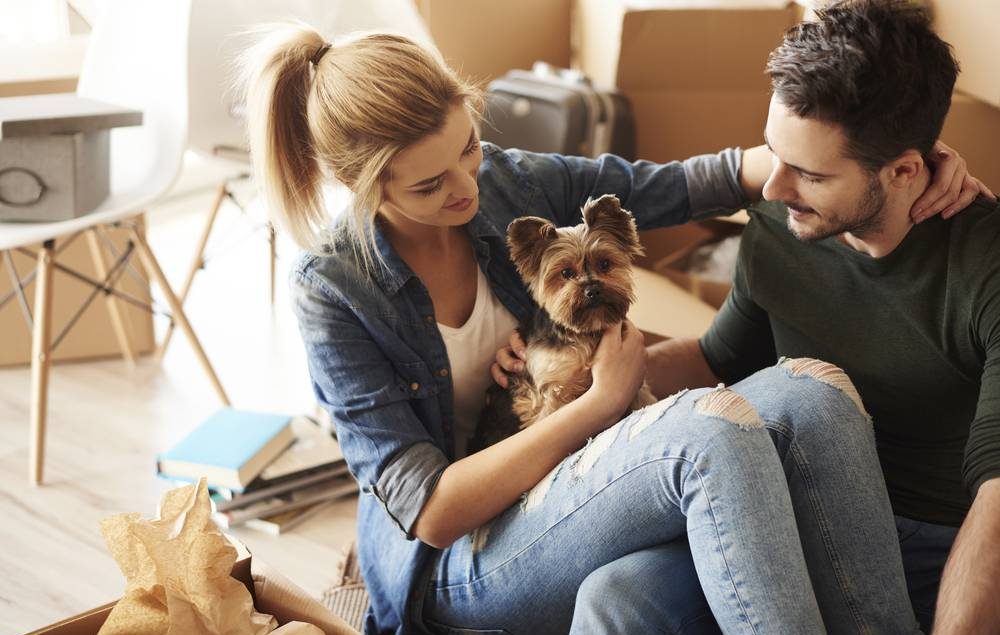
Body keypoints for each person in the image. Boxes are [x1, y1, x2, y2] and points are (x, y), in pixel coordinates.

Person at [238, 19, 983, 635]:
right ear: (365, 186)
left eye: (468, 147)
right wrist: (598, 402)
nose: (469, 186)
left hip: (579, 480)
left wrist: (902, 159)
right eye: (431, 184)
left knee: (814, 391)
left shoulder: (502, 179)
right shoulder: (334, 291)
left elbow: (683, 183)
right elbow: (430, 513)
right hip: (468, 558)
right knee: (710, 431)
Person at [565, 1, 995, 633]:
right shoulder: (779, 222)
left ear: (904, 170)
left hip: (936, 541)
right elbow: (720, 358)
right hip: (792, 507)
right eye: (774, 154)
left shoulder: (983, 265)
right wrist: (573, 384)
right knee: (618, 596)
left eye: (809, 174)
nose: (771, 188)